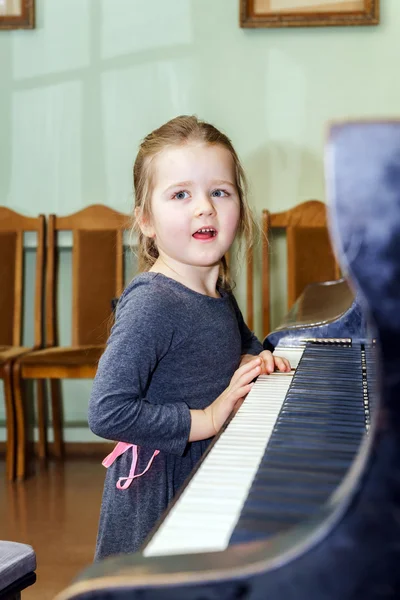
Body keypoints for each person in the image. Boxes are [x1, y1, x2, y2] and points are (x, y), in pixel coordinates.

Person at [88, 115, 290, 561]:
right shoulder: (152, 302)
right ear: (146, 220)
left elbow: (241, 343)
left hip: (203, 474)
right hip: (159, 494)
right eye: (181, 194)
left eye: (220, 191)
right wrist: (208, 419)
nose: (205, 207)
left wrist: (258, 360)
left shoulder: (215, 287)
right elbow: (106, 411)